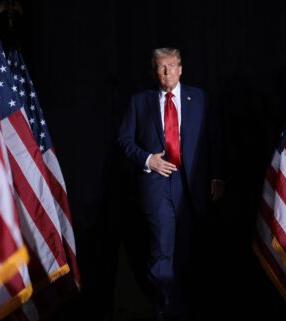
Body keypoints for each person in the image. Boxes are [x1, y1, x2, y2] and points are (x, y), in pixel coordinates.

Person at [118, 47, 225, 321]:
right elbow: (125, 141)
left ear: (181, 69)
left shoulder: (199, 98)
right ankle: (164, 308)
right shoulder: (139, 102)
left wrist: (216, 176)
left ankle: (184, 306)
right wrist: (147, 159)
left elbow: (212, 139)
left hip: (191, 184)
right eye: (161, 67)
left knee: (187, 250)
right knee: (162, 250)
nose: (167, 72)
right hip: (156, 184)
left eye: (171, 66)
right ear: (154, 72)